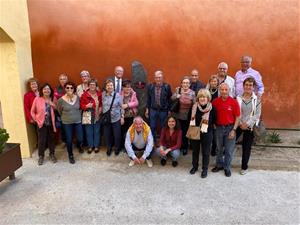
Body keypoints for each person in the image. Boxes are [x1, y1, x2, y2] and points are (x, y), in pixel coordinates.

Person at [212, 83, 240, 177]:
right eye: (222, 89)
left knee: (228, 150)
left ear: (229, 90)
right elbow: (212, 114)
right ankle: (219, 165)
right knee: (219, 149)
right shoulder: (215, 102)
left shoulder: (233, 102)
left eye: (226, 90)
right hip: (219, 128)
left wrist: (234, 130)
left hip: (230, 128)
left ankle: (227, 167)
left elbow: (238, 117)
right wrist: (213, 125)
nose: (224, 91)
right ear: (219, 90)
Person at [236, 77, 261, 175]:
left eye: (250, 85)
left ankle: (244, 167)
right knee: (230, 142)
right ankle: (225, 163)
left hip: (249, 126)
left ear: (253, 87)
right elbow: (236, 112)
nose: (248, 87)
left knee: (246, 147)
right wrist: (241, 123)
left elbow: (257, 114)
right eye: (246, 85)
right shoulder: (238, 98)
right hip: (238, 124)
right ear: (243, 86)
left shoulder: (257, 100)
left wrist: (247, 124)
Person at [189, 89, 216, 178]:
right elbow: (190, 119)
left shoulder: (212, 109)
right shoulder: (194, 107)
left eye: (204, 97)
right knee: (195, 151)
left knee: (206, 152)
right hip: (195, 132)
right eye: (200, 97)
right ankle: (195, 167)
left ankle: (204, 169)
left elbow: (215, 121)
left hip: (207, 133)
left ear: (208, 98)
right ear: (198, 98)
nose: (202, 98)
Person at [57, 82, 83, 164]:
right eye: (67, 88)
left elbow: (81, 108)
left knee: (80, 138)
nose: (69, 89)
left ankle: (79, 146)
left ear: (74, 89)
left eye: (71, 88)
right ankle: (70, 155)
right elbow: (59, 111)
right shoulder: (61, 100)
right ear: (65, 89)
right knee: (69, 140)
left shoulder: (78, 98)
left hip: (78, 121)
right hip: (67, 123)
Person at [30, 83, 57, 165]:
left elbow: (57, 109)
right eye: (45, 89)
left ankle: (52, 154)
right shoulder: (37, 99)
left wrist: (52, 104)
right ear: (42, 90)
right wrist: (36, 120)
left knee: (51, 140)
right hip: (41, 123)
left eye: (48, 89)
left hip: (51, 123)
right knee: (41, 141)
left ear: (50, 90)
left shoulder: (53, 98)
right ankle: (41, 156)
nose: (46, 90)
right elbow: (32, 111)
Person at [171, 76, 195, 155]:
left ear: (190, 84)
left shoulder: (192, 93)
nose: (185, 84)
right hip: (177, 115)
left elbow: (195, 104)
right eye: (184, 83)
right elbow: (172, 98)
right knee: (178, 131)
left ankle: (185, 147)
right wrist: (176, 96)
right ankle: (179, 145)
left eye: (187, 83)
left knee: (185, 132)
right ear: (181, 84)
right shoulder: (178, 90)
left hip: (187, 116)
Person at [145, 70, 172, 140]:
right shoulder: (150, 86)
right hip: (153, 110)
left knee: (164, 126)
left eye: (159, 77)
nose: (158, 79)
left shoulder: (167, 87)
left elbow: (170, 99)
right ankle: (153, 141)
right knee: (152, 126)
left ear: (162, 77)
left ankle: (163, 140)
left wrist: (169, 110)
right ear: (154, 78)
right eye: (156, 77)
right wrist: (147, 109)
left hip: (163, 110)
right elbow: (148, 99)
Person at [102, 79, 124, 156]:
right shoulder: (103, 95)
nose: (109, 87)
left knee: (117, 135)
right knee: (107, 135)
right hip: (106, 119)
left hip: (116, 118)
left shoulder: (118, 95)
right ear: (105, 87)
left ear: (113, 87)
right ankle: (109, 148)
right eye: (108, 85)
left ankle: (117, 148)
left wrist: (122, 117)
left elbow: (122, 107)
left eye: (111, 85)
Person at [80, 79, 102, 154]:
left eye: (94, 85)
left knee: (97, 131)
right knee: (89, 132)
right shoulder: (84, 95)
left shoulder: (99, 94)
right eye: (91, 84)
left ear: (96, 86)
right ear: (88, 86)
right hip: (87, 115)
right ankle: (90, 146)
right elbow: (81, 106)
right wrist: (86, 106)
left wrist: (100, 109)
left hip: (97, 115)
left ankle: (96, 146)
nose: (92, 86)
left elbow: (101, 104)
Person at [120, 80, 139, 150]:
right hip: (123, 117)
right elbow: (119, 106)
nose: (128, 89)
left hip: (131, 116)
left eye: (129, 87)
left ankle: (130, 146)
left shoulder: (133, 94)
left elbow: (136, 103)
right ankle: (123, 146)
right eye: (126, 87)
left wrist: (127, 105)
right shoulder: (119, 94)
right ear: (123, 88)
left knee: (130, 132)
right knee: (123, 132)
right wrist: (121, 116)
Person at [206, 75, 219, 156]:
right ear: (209, 82)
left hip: (216, 114)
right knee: (207, 132)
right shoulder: (206, 90)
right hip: (207, 114)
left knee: (215, 134)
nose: (213, 83)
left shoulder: (220, 91)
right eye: (212, 81)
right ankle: (206, 148)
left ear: (217, 82)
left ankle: (214, 149)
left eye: (215, 81)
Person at [53, 73, 68, 144]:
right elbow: (54, 102)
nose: (62, 80)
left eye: (64, 79)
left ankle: (70, 141)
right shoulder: (56, 89)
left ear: (67, 79)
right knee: (62, 128)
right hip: (60, 113)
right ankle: (64, 141)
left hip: (69, 111)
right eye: (61, 79)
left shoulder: (70, 87)